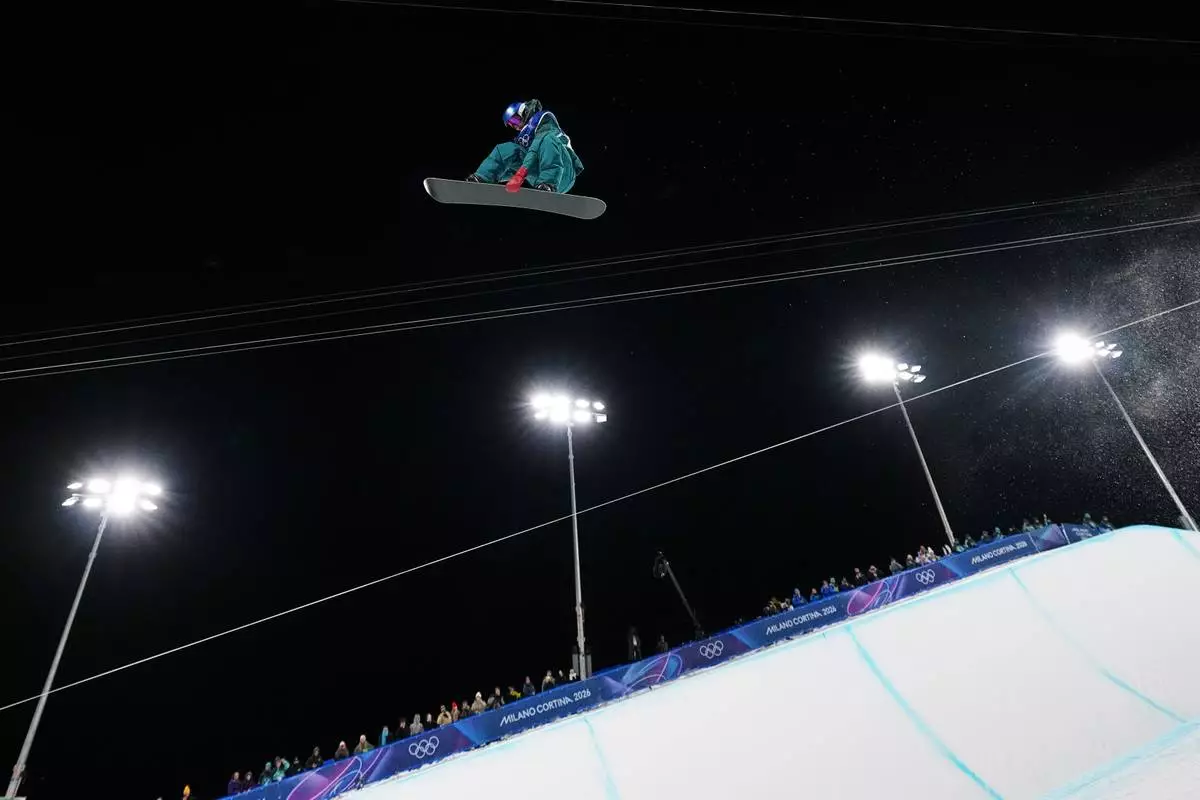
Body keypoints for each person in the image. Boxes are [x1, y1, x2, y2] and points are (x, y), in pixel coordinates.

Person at [468, 99, 584, 194]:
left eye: (515, 120)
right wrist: (498, 178)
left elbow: (535, 148)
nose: (516, 126)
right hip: (539, 174)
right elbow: (514, 163)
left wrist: (521, 173)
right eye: (512, 124)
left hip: (564, 172)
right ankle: (482, 178)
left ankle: (548, 183)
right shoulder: (523, 137)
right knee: (507, 149)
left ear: (523, 111)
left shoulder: (544, 120)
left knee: (548, 139)